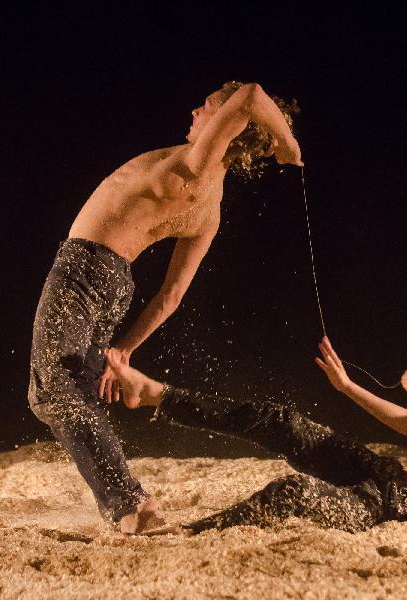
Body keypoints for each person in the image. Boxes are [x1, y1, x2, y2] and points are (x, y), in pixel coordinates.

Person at [27, 82, 302, 534]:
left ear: (226, 126)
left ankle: (130, 504)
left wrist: (287, 143)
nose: (195, 110)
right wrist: (124, 352)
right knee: (69, 387)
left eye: (208, 107)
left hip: (82, 270)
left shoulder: (195, 164)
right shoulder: (211, 208)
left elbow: (251, 94)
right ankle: (126, 501)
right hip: (116, 283)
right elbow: (170, 297)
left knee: (51, 390)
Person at [105, 337, 407, 536]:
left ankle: (187, 533)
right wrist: (349, 388)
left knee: (292, 491)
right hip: (389, 479)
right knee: (284, 422)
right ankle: (155, 395)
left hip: (386, 512)